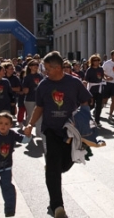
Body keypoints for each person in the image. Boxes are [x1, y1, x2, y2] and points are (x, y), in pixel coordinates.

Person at [25, 51, 92, 217]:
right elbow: (39, 107)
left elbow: (86, 100)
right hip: (51, 130)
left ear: (58, 68)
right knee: (54, 168)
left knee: (65, 164)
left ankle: (54, 169)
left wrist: (83, 117)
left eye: (48, 68)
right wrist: (30, 124)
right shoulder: (44, 85)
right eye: (44, 68)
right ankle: (57, 206)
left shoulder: (74, 83)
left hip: (70, 131)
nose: (45, 71)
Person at [0, 112, 32, 217]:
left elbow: (25, 140)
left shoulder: (12, 134)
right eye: (0, 123)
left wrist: (28, 134)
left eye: (6, 124)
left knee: (7, 186)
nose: (3, 126)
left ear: (11, 125)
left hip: (6, 167)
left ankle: (9, 210)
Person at [22, 59, 45, 154]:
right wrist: (26, 89)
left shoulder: (40, 76)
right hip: (30, 99)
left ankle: (39, 133)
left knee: (40, 116)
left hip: (39, 99)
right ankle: (28, 132)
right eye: (34, 65)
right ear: (30, 67)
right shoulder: (27, 77)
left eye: (37, 65)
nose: (36, 66)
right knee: (30, 116)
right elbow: (24, 90)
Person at [85, 54, 106, 126]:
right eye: (94, 60)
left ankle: (97, 120)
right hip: (92, 88)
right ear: (92, 61)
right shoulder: (89, 70)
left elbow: (102, 77)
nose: (96, 62)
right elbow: (86, 80)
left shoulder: (101, 69)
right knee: (91, 104)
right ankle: (87, 117)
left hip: (99, 88)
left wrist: (106, 79)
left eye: (98, 60)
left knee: (99, 105)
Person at [102, 50, 114, 122]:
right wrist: (107, 77)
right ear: (111, 56)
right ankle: (98, 109)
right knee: (105, 100)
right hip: (107, 83)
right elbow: (102, 72)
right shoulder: (107, 63)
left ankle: (110, 115)